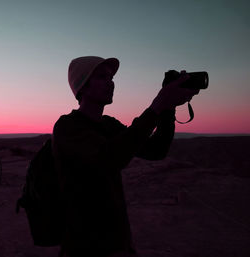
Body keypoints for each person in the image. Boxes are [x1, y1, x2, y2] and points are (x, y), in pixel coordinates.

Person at [52, 56, 199, 257]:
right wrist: (158, 105)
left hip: (118, 242)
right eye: (102, 77)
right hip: (84, 246)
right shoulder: (67, 127)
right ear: (83, 86)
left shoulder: (109, 125)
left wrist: (168, 108)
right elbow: (111, 159)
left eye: (111, 77)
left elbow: (156, 150)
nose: (110, 82)